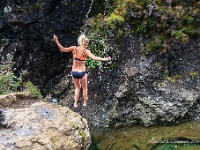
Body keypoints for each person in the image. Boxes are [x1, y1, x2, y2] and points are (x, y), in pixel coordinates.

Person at [53, 34, 111, 108]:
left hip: (74, 72)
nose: (87, 46)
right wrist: (106, 59)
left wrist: (57, 41)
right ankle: (84, 103)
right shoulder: (86, 51)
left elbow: (62, 49)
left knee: (77, 87)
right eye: (87, 44)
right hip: (81, 73)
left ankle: (75, 103)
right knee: (84, 88)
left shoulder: (74, 48)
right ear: (85, 43)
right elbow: (94, 57)